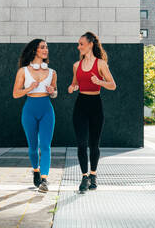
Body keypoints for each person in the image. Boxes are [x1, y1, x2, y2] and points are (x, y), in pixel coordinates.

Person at [68, 32, 116, 192]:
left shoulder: (101, 64)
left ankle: (93, 175)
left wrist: (100, 82)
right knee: (81, 144)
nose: (78, 46)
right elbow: (74, 84)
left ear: (90, 44)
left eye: (81, 43)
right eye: (78, 44)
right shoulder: (76, 65)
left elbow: (113, 85)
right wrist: (72, 87)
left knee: (94, 144)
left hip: (96, 105)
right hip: (80, 104)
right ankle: (84, 177)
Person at [13, 39, 57, 193]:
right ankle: (36, 170)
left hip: (47, 110)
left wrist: (53, 92)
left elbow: (55, 93)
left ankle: (44, 180)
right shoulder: (23, 71)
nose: (46, 50)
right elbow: (15, 94)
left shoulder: (52, 72)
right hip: (29, 110)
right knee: (33, 147)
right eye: (42, 47)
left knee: (45, 146)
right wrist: (29, 88)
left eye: (47, 47)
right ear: (35, 50)